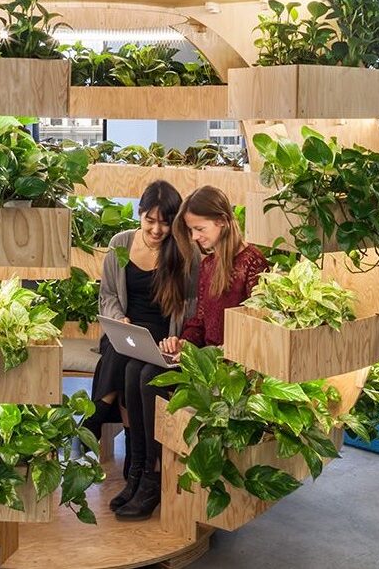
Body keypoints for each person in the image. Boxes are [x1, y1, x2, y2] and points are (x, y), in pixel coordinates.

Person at [113, 186, 269, 521]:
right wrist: (181, 342)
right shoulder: (210, 264)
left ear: (223, 221)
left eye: (200, 229)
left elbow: (258, 330)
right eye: (191, 230)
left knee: (150, 378)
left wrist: (211, 352)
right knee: (135, 369)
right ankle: (140, 470)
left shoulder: (253, 262)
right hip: (204, 358)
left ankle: (153, 476)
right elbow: (198, 321)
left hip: (232, 367)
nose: (195, 238)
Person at [84, 180, 197, 515]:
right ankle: (137, 469)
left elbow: (191, 308)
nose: (157, 230)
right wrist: (120, 319)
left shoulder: (184, 253)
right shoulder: (120, 244)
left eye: (165, 222)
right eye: (150, 220)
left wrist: (177, 340)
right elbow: (107, 295)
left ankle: (96, 419)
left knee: (130, 362)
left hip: (163, 339)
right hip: (126, 328)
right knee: (123, 350)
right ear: (140, 213)